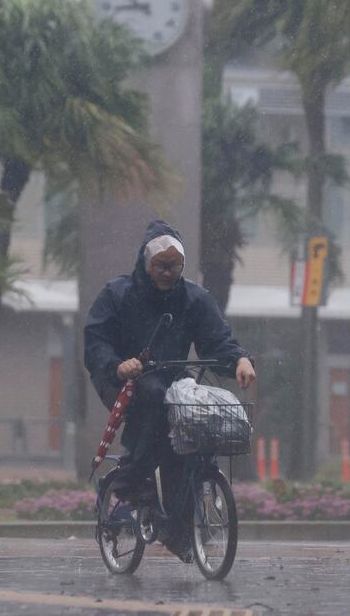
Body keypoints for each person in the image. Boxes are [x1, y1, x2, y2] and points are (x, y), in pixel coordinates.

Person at [84, 220, 256, 561]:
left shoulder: (194, 298)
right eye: (161, 266)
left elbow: (217, 337)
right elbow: (96, 342)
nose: (167, 273)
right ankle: (131, 480)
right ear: (145, 265)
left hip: (173, 383)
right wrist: (118, 365)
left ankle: (177, 531)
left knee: (187, 440)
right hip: (122, 381)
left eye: (174, 266)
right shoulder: (116, 295)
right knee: (150, 398)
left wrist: (239, 360)